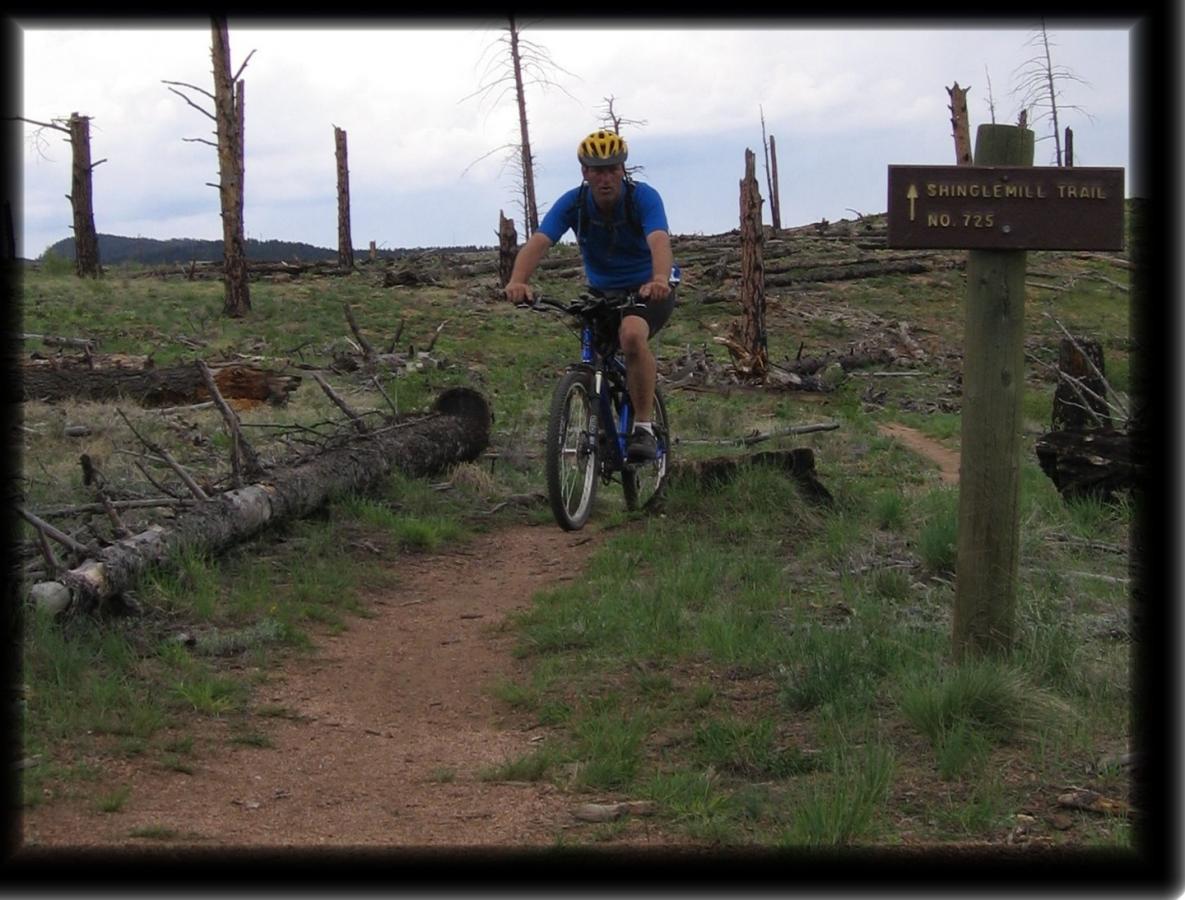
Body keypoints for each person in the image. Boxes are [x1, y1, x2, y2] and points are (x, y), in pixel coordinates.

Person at [504, 130, 677, 461]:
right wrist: (518, 280)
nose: (606, 177)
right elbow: (540, 241)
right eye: (597, 170)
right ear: (585, 173)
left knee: (630, 336)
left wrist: (658, 278)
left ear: (623, 170)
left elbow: (659, 240)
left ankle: (643, 426)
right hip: (603, 291)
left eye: (612, 168)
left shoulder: (644, 198)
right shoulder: (575, 203)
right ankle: (602, 424)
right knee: (595, 352)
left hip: (648, 287)